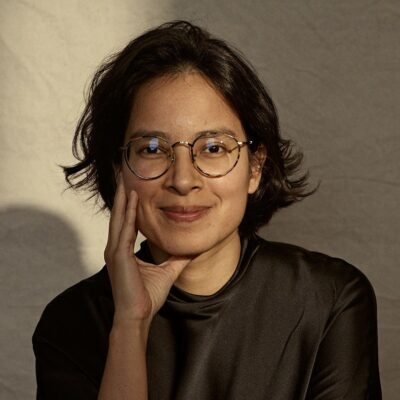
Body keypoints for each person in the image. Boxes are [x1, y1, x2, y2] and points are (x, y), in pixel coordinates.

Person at [32, 21, 381, 399]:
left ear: (255, 168)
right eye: (152, 148)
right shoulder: (70, 324)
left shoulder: (329, 299)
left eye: (213, 148)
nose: (183, 180)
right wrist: (130, 325)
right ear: (120, 171)